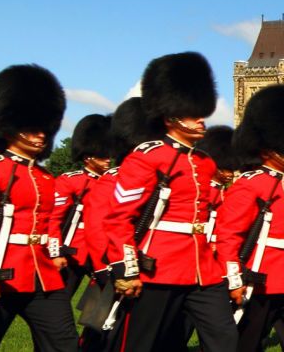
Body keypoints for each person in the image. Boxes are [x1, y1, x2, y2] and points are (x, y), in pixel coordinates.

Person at [101, 52, 238, 351]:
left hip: (203, 269)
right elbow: (119, 217)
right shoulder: (147, 157)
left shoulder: (204, 162)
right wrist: (127, 268)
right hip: (159, 267)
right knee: (144, 342)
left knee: (225, 338)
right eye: (192, 113)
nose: (201, 119)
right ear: (170, 115)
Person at [218, 83, 284, 352]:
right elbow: (229, 235)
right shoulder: (250, 184)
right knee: (248, 342)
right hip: (260, 278)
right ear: (265, 148)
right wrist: (234, 278)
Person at [0, 64, 78, 351]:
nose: (41, 136)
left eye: (44, 128)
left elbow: (49, 221)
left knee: (64, 344)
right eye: (31, 128)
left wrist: (55, 253)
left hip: (42, 276)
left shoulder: (45, 177)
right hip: (0, 272)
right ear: (8, 127)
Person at [77, 97, 150, 352]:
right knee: (99, 333)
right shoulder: (111, 180)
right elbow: (96, 227)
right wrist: (106, 267)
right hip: (112, 268)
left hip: (141, 266)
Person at [50, 113, 112, 312]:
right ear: (88, 156)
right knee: (58, 305)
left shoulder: (113, 183)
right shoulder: (71, 181)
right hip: (71, 254)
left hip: (99, 254)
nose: (108, 159)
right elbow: (54, 219)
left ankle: (91, 339)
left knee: (101, 306)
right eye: (103, 154)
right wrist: (55, 251)